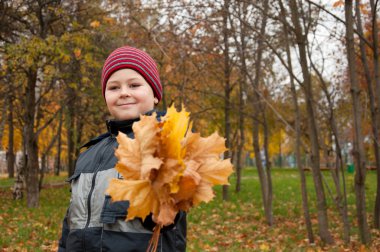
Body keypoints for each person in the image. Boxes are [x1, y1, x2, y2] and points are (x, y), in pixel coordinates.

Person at [58, 46, 187, 252]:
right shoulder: (89, 154)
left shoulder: (164, 143)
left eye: (134, 85)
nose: (124, 93)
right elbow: (70, 223)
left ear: (155, 94)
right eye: (114, 87)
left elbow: (169, 220)